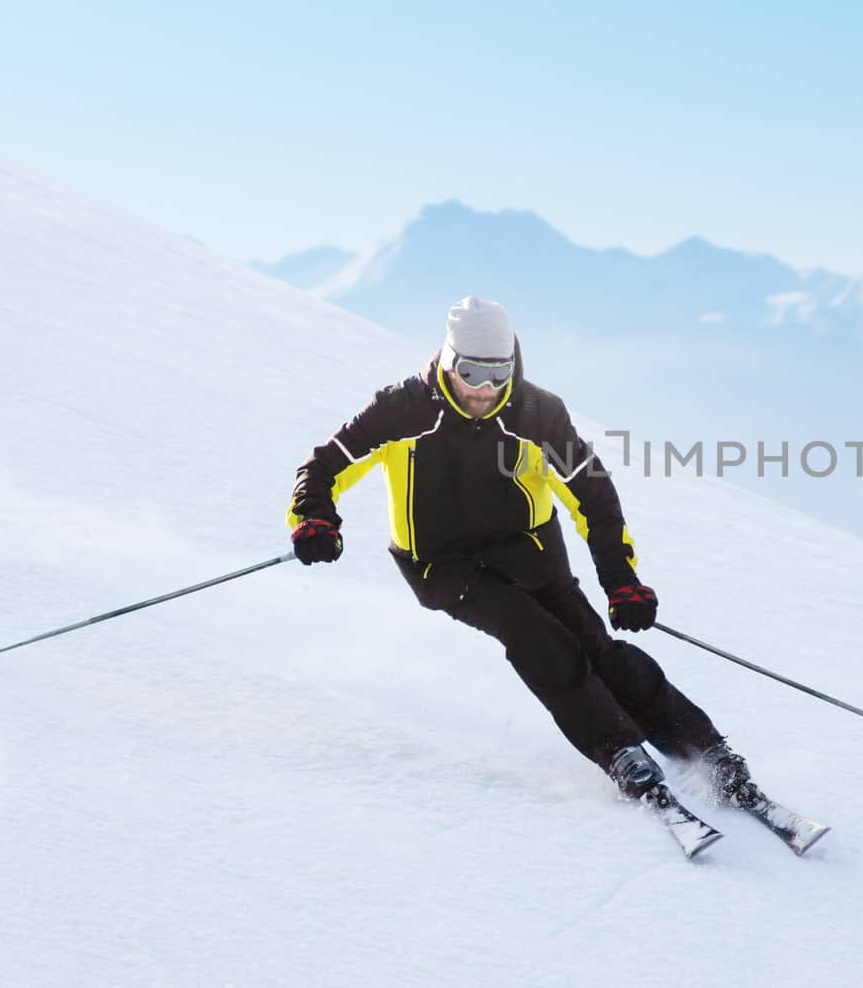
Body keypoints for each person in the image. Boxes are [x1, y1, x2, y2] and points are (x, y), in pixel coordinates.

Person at [287, 296, 760, 811]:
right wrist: (315, 519)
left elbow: (592, 496)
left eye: (498, 374)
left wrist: (621, 581)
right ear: (449, 362)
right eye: (471, 372)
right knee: (537, 637)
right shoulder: (402, 409)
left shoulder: (539, 414)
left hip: (532, 554)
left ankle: (707, 752)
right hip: (442, 564)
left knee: (599, 650)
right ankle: (622, 753)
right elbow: (325, 466)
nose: (485, 390)